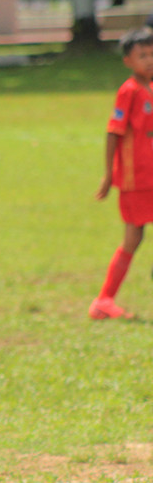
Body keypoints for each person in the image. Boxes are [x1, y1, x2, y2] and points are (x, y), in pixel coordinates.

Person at [91, 26, 153, 319]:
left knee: (135, 239)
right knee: (133, 238)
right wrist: (108, 174)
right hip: (135, 181)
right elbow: (113, 132)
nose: (149, 60)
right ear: (128, 61)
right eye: (142, 55)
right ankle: (104, 300)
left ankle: (104, 300)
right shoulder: (128, 91)